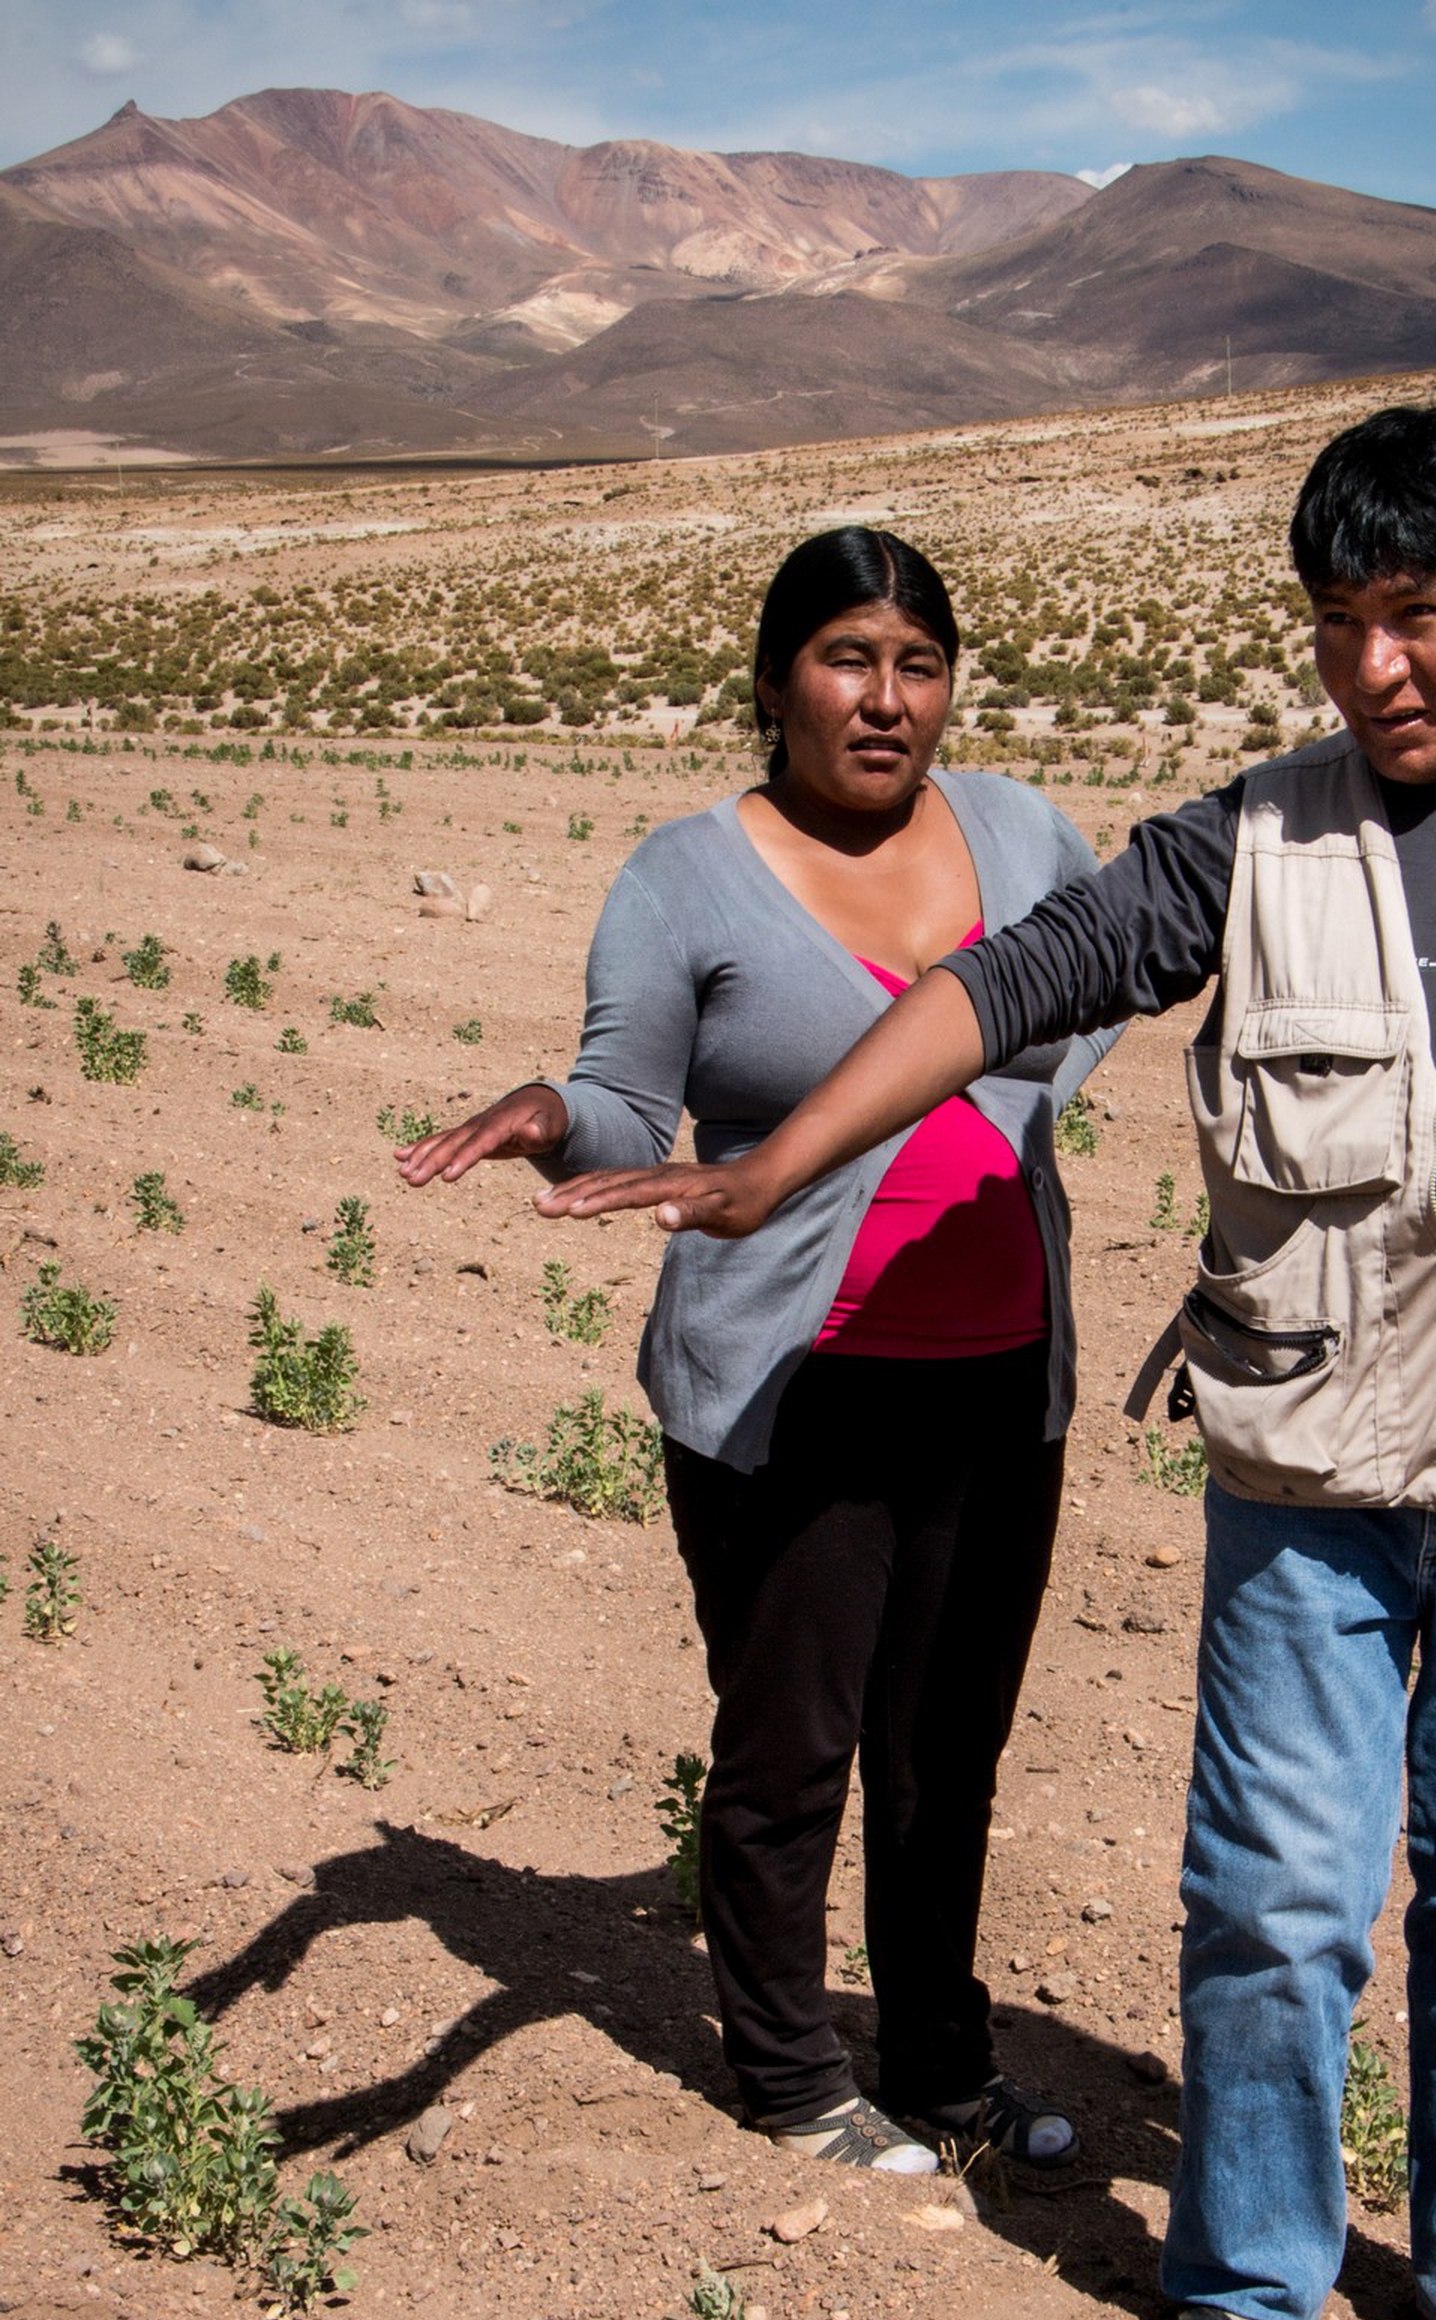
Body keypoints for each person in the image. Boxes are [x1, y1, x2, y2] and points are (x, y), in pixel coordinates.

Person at [544, 405, 1436, 2320]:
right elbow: (1021, 979)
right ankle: (1244, 2277)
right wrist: (784, 1160)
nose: (1376, 668)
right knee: (1271, 1889)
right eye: (1338, 622)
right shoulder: (1259, 834)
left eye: (1422, 615)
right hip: (1313, 1467)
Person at [401, 526, 1115, 2176]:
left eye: (918, 664)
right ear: (776, 682)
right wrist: (555, 1117)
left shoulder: (1019, 829)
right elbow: (631, 1097)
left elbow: (1103, 977)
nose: (887, 701)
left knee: (952, 1751)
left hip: (1004, 1371)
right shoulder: (688, 874)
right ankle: (792, 2076)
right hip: (801, 1387)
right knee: (795, 1746)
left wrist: (1023, 1118)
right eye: (847, 661)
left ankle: (941, 2065)